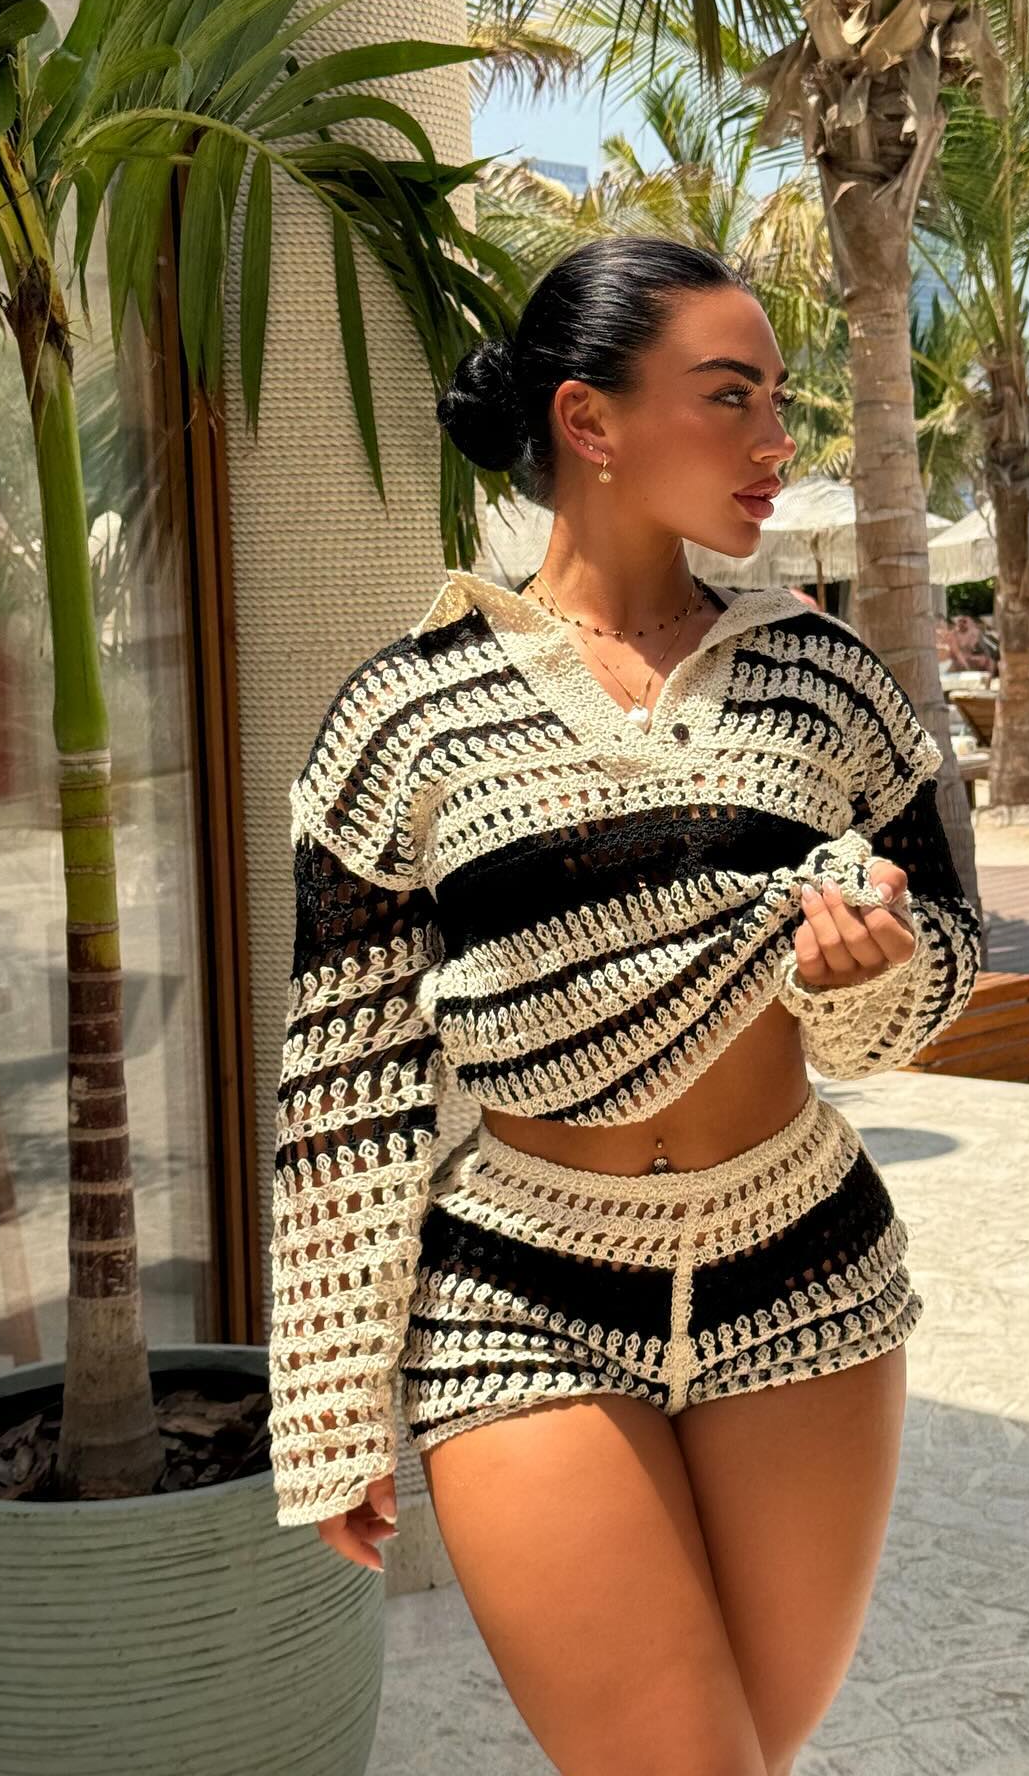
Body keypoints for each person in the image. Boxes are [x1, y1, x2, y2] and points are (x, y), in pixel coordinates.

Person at [266, 237, 979, 1776]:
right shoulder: (404, 712)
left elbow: (941, 954)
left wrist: (869, 981)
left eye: (778, 398)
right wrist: (327, 1394)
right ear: (588, 420)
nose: (776, 439)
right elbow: (346, 1078)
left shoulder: (828, 680)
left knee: (748, 1754)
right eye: (730, 397)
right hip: (521, 1300)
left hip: (808, 1276)